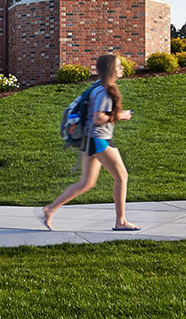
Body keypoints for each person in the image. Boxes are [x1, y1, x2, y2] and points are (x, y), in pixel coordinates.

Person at [42, 53, 138, 231]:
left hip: (90, 139)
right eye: (118, 66)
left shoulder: (98, 86)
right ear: (110, 69)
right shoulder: (104, 91)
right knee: (121, 176)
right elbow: (98, 117)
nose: (121, 68)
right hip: (99, 139)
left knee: (87, 183)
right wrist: (122, 115)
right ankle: (121, 221)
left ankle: (50, 209)